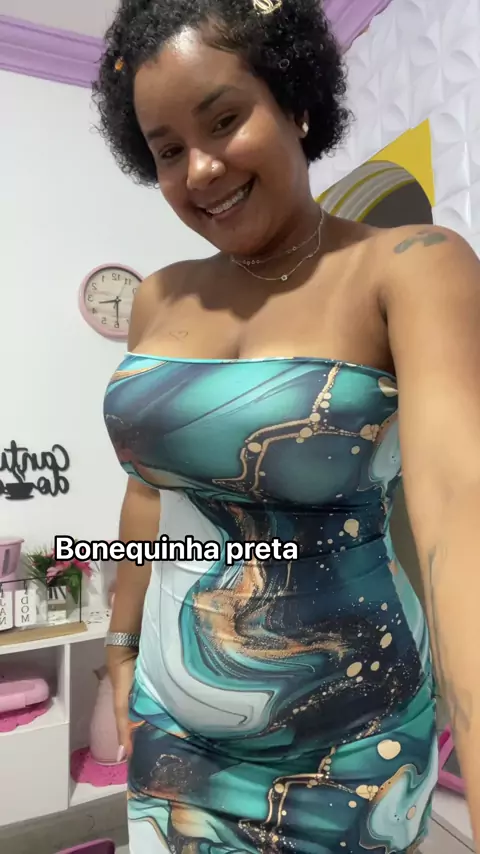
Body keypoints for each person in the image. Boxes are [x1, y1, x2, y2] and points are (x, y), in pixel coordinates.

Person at [93, 1, 480, 852]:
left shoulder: (411, 267)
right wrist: (119, 646)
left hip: (352, 754)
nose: (200, 169)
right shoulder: (158, 296)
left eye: (224, 120)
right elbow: (149, 492)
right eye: (166, 150)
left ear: (298, 101)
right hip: (171, 737)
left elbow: (459, 512)